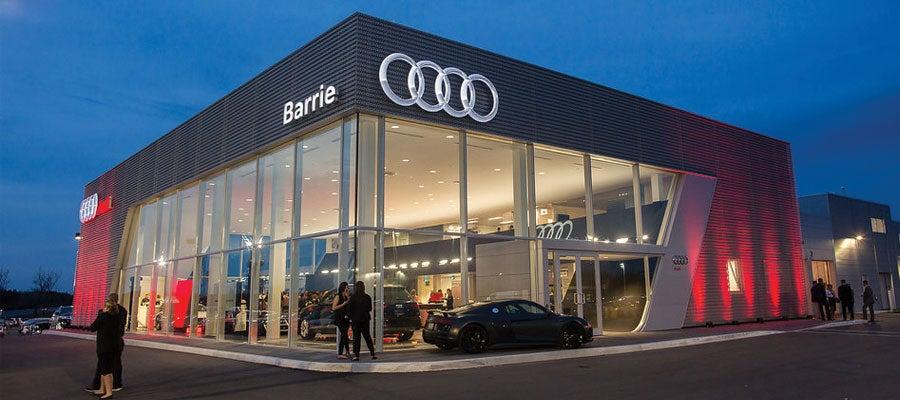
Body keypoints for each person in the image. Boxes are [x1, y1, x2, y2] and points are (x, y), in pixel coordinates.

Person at [86, 293, 127, 393]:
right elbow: (121, 327)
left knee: (104, 365)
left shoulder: (103, 314)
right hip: (116, 341)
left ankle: (103, 388)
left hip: (105, 343)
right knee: (114, 364)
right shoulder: (121, 311)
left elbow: (93, 327)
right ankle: (112, 385)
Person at [348, 281, 376, 361]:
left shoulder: (353, 297)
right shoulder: (367, 297)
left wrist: (350, 317)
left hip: (355, 319)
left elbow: (350, 309)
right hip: (365, 319)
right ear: (364, 287)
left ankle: (357, 355)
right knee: (367, 336)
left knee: (356, 338)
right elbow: (370, 308)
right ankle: (372, 353)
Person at [331, 282, 351, 359]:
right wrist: (343, 304)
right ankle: (347, 351)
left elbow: (349, 304)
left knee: (344, 335)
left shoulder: (346, 295)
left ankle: (342, 353)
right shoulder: (338, 296)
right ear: (343, 287)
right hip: (339, 318)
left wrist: (347, 297)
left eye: (348, 287)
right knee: (344, 334)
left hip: (345, 318)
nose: (347, 288)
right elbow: (333, 307)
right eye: (346, 287)